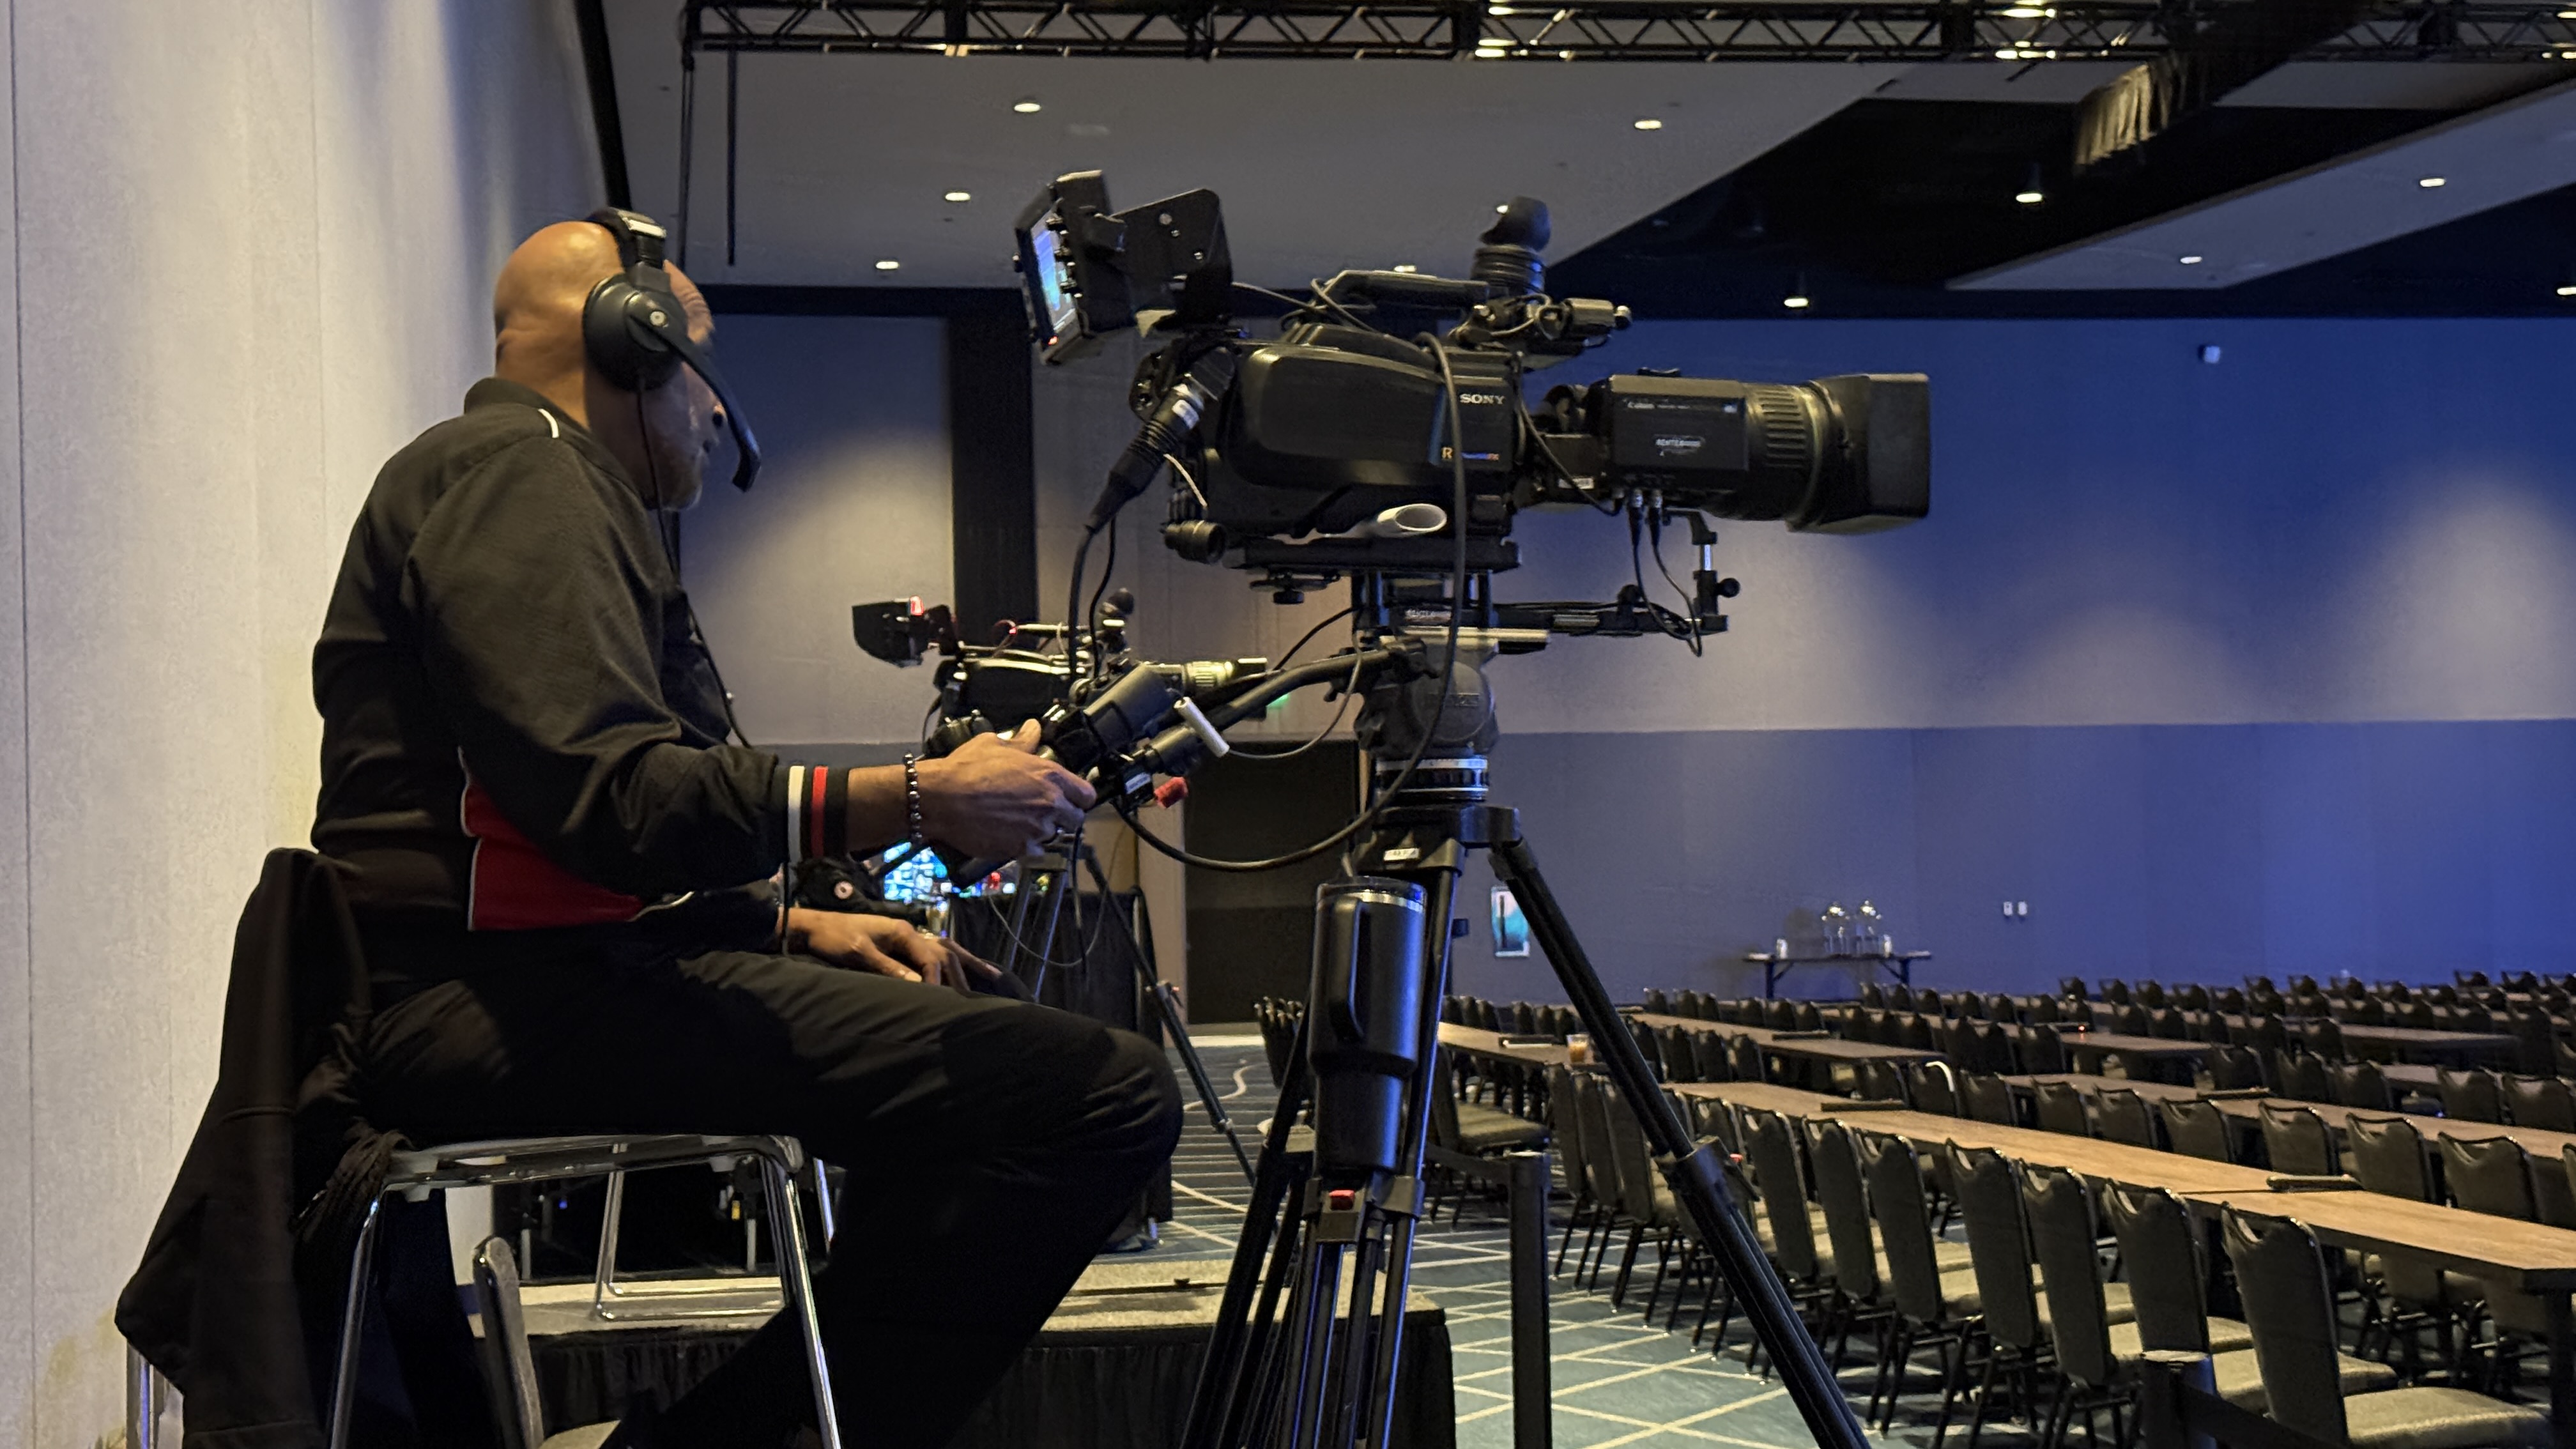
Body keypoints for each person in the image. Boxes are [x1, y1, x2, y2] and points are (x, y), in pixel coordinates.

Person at [308, 214, 1182, 1447]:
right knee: (1102, 1099)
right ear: (636, 340)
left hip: (521, 978)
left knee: (979, 1079)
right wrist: (915, 793)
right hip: (488, 1005)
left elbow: (559, 830)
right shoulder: (524, 475)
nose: (718, 411)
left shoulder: (521, 479)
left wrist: (785, 921)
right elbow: (613, 801)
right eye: (704, 363)